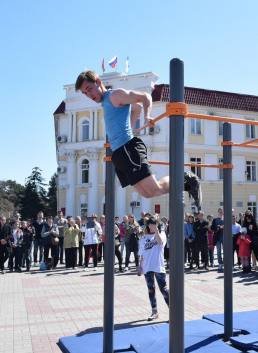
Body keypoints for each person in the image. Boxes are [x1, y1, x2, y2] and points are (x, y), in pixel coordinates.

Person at [75, 70, 202, 207]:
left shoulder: (115, 96)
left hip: (128, 149)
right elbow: (136, 108)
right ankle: (189, 187)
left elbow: (145, 97)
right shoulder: (106, 103)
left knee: (156, 189)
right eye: (85, 93)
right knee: (147, 193)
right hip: (119, 153)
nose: (89, 95)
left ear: (98, 82)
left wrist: (147, 116)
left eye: (89, 89)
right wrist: (128, 127)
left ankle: (187, 177)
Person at [137, 217, 169, 321]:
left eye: (153, 223)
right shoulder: (144, 237)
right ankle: (154, 311)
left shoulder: (161, 234)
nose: (151, 225)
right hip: (147, 267)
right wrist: (140, 266)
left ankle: (173, 310)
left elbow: (160, 243)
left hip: (158, 266)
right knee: (151, 290)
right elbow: (142, 253)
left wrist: (156, 230)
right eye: (150, 224)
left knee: (164, 290)